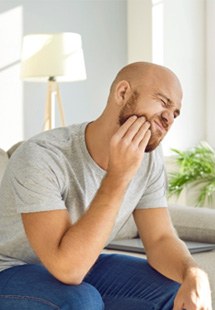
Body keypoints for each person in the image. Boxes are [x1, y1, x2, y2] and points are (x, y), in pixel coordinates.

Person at [0, 62, 212, 310]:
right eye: (163, 102)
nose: (168, 118)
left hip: (83, 261)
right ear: (122, 93)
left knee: (175, 290)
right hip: (12, 269)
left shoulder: (149, 158)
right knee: (81, 301)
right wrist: (118, 176)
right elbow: (68, 270)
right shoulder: (42, 156)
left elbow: (160, 239)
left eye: (175, 113)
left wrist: (193, 272)